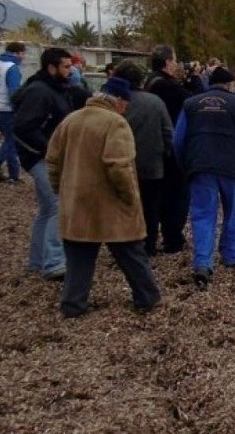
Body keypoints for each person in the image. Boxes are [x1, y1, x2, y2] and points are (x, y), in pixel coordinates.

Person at [45, 77, 160, 317]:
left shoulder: (71, 120)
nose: (126, 109)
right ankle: (147, 297)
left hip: (76, 202)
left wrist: (60, 189)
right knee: (131, 254)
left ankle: (73, 304)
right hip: (109, 204)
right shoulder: (116, 124)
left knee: (79, 257)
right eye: (125, 104)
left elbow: (53, 161)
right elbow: (119, 167)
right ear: (118, 101)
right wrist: (130, 197)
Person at [173, 67, 235, 288]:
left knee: (202, 214)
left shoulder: (191, 104)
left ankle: (203, 263)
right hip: (231, 167)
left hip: (200, 166)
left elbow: (177, 140)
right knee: (231, 211)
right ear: (230, 84)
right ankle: (231, 255)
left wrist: (185, 164)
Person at [12, 47, 75, 280]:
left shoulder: (55, 89)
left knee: (47, 208)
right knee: (58, 205)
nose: (71, 71)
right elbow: (24, 126)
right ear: (52, 68)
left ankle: (37, 261)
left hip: (43, 156)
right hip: (41, 158)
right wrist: (51, 149)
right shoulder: (40, 92)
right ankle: (54, 262)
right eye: (66, 67)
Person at [114, 60, 174, 256]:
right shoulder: (155, 102)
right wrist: (165, 154)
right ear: (140, 80)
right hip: (152, 165)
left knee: (123, 207)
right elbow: (168, 133)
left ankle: (124, 246)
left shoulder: (114, 103)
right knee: (150, 208)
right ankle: (148, 245)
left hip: (119, 164)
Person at [144, 44, 192, 254]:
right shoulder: (166, 87)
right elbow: (190, 101)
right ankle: (172, 238)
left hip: (153, 147)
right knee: (176, 196)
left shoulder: (149, 82)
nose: (177, 64)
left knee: (156, 198)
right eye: (174, 60)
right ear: (166, 63)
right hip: (170, 149)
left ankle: (155, 239)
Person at [0, 41, 26, 184]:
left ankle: (3, 168)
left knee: (9, 139)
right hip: (6, 109)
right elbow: (14, 92)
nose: (23, 57)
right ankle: (7, 171)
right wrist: (20, 108)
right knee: (12, 140)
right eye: (23, 54)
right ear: (17, 53)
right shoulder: (12, 68)